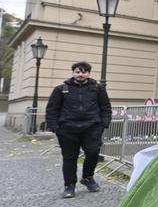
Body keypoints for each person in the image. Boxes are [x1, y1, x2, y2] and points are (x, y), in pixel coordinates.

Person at [45, 61, 112, 198]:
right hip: (67, 129)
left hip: (92, 127)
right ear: (73, 73)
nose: (80, 74)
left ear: (88, 73)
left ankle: (87, 177)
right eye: (77, 72)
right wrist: (55, 128)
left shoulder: (98, 89)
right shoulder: (61, 89)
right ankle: (69, 185)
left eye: (83, 72)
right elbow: (52, 109)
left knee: (93, 153)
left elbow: (106, 107)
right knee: (70, 157)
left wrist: (103, 124)